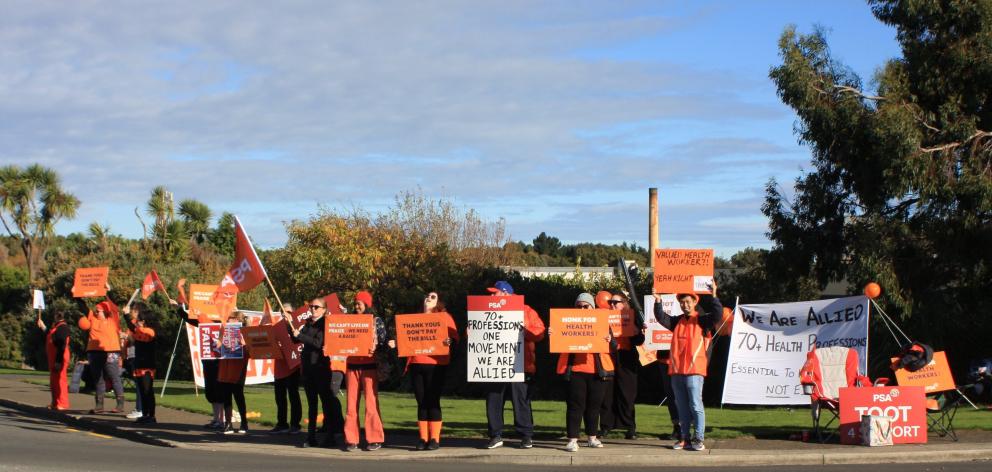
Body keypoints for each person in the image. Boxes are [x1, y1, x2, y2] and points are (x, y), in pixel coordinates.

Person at [653, 284, 722, 451]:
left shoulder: (703, 320)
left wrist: (714, 295)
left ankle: (699, 439)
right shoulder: (677, 321)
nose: (685, 305)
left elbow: (718, 315)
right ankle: (685, 438)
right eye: (682, 302)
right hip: (677, 371)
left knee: (696, 405)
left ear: (694, 301)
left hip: (695, 371)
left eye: (688, 302)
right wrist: (658, 301)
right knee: (682, 406)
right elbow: (661, 317)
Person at [389, 291, 458, 450]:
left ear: (438, 302)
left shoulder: (444, 317)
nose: (428, 298)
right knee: (421, 402)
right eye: (427, 296)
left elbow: (454, 338)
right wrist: (396, 343)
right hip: (416, 364)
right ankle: (423, 438)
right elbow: (409, 340)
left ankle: (434, 439)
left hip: (436, 364)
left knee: (432, 400)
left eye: (433, 297)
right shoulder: (415, 319)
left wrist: (449, 341)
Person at [484, 280, 545, 450]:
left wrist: (525, 331)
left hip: (520, 364)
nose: (490, 296)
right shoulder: (486, 310)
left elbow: (540, 332)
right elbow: (475, 332)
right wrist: (470, 332)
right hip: (494, 363)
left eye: (493, 293)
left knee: (521, 401)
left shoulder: (526, 310)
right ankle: (495, 435)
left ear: (505, 294)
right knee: (494, 400)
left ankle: (526, 436)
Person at [555, 293, 615, 452]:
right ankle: (572, 440)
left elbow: (615, 347)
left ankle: (592, 438)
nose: (582, 309)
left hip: (598, 372)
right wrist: (553, 334)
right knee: (575, 406)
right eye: (579, 306)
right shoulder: (566, 321)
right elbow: (557, 343)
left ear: (592, 307)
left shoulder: (603, 323)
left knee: (594, 407)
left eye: (586, 306)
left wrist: (610, 340)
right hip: (574, 371)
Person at [290, 297, 344, 448]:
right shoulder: (308, 323)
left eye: (316, 307)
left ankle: (330, 436)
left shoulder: (325, 324)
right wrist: (290, 327)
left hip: (321, 368)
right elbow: (296, 340)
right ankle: (311, 436)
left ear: (324, 310)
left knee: (326, 403)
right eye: (311, 307)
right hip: (308, 368)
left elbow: (318, 343)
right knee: (312, 404)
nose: (312, 310)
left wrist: (299, 335)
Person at [342, 290, 387, 451]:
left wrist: (376, 343)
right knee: (351, 405)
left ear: (367, 305)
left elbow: (383, 340)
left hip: (369, 366)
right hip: (352, 366)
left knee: (371, 403)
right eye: (355, 303)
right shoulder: (348, 321)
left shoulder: (376, 321)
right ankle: (351, 439)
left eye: (359, 303)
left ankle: (374, 438)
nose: (356, 306)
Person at [171, 298, 225, 428]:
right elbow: (190, 319)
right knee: (210, 390)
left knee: (219, 390)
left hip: (220, 361)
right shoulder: (204, 324)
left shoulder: (224, 322)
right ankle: (216, 418)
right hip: (208, 359)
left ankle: (221, 420)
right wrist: (179, 308)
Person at [599, 292, 644, 439]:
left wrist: (637, 332)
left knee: (627, 394)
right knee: (607, 394)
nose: (611, 304)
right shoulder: (602, 317)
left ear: (624, 303)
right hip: (608, 356)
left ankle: (630, 427)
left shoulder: (631, 317)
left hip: (626, 358)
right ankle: (606, 426)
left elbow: (639, 340)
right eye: (610, 302)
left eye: (615, 302)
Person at [78, 298, 126, 414]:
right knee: (98, 379)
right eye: (96, 310)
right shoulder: (92, 318)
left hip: (111, 351)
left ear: (105, 311)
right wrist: (76, 295)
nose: (96, 312)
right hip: (94, 352)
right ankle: (99, 405)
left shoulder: (113, 320)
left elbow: (114, 307)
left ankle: (120, 404)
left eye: (98, 310)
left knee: (114, 376)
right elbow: (83, 308)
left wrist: (107, 293)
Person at [269, 303, 302, 435]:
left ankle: (295, 424)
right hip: (279, 367)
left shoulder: (297, 327)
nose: (284, 313)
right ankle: (281, 423)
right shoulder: (276, 328)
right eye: (282, 311)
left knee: (293, 396)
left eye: (287, 311)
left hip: (292, 367)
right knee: (279, 397)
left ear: (293, 313)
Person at [123, 302, 157, 424]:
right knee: (142, 391)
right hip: (140, 364)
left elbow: (136, 330)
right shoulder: (139, 331)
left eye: (140, 320)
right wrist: (126, 315)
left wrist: (128, 316)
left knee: (148, 391)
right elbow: (133, 329)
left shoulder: (149, 331)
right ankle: (145, 413)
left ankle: (151, 416)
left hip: (147, 366)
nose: (137, 321)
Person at [217, 310, 250, 434]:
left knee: (238, 395)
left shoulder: (245, 332)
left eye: (231, 318)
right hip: (225, 366)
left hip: (238, 368)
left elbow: (250, 352)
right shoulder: (223, 329)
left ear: (238, 320)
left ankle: (244, 423)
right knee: (226, 396)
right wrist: (219, 345)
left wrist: (243, 345)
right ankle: (228, 423)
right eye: (229, 317)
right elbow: (218, 346)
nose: (228, 320)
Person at [37, 312, 70, 410]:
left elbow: (61, 345)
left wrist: (58, 361)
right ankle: (55, 402)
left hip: (59, 357)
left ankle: (62, 403)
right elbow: (53, 337)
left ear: (56, 317)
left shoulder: (62, 328)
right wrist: (43, 327)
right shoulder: (58, 327)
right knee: (54, 381)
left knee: (60, 381)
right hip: (54, 358)